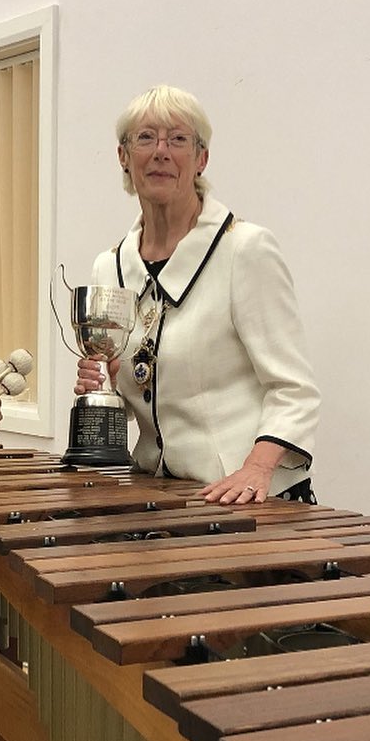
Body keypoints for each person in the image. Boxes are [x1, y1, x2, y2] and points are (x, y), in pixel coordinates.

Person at [75, 84, 321, 505]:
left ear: (201, 159)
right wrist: (104, 391)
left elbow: (294, 389)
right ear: (123, 156)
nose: (161, 152)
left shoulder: (245, 249)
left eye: (179, 139)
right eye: (145, 138)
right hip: (159, 493)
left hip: (245, 499)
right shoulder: (109, 267)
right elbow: (142, 387)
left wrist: (257, 468)